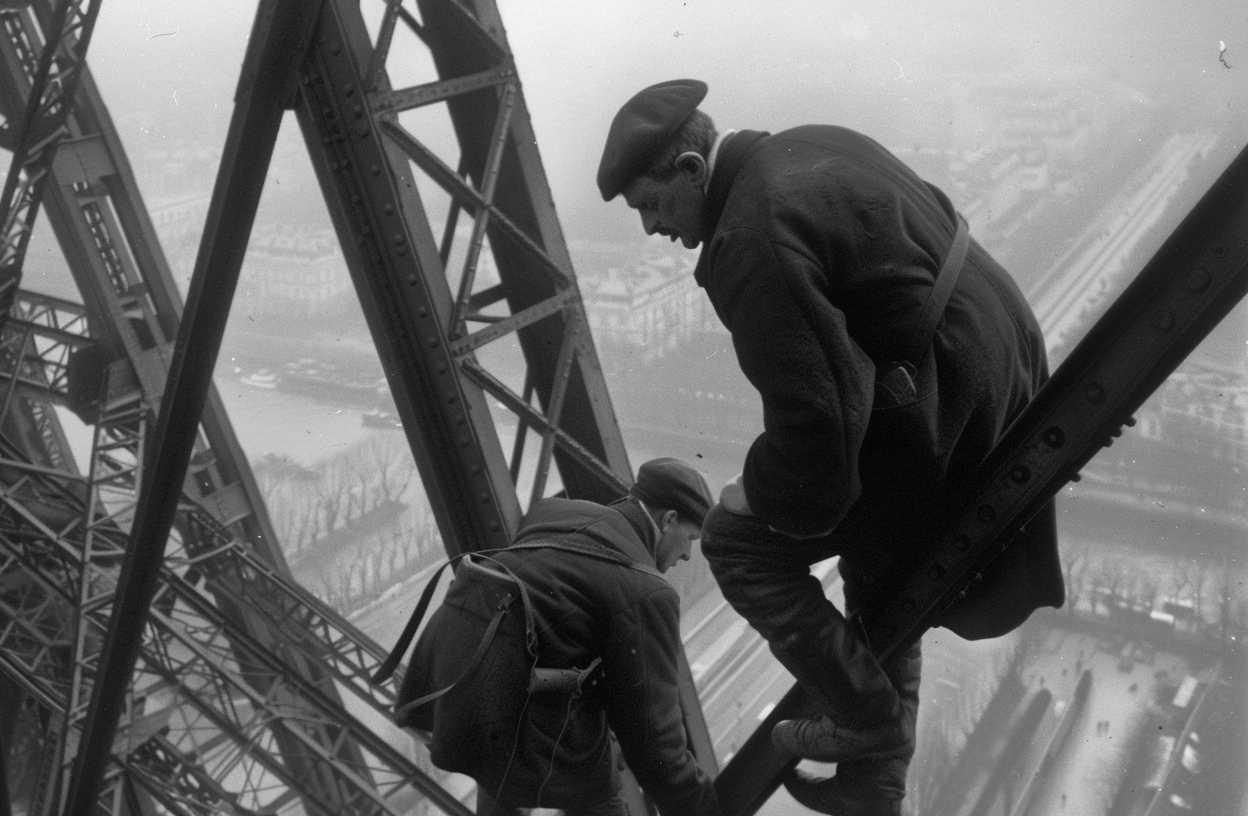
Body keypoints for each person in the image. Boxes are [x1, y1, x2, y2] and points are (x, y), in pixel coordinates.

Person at [597, 80, 1064, 815]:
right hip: (1003, 369)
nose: (653, 229)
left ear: (691, 169)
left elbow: (820, 421)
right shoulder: (809, 145)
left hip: (946, 400)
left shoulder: (748, 236)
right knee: (876, 546)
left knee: (738, 546)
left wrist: (757, 496)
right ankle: (872, 788)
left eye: (651, 206)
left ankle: (868, 721)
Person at [390, 458, 720, 816]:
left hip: (463, 689)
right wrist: (701, 807)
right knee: (599, 792)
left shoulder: (555, 514)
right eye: (689, 539)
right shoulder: (646, 591)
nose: (687, 554)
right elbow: (654, 739)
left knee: (506, 771)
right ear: (668, 519)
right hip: (513, 712)